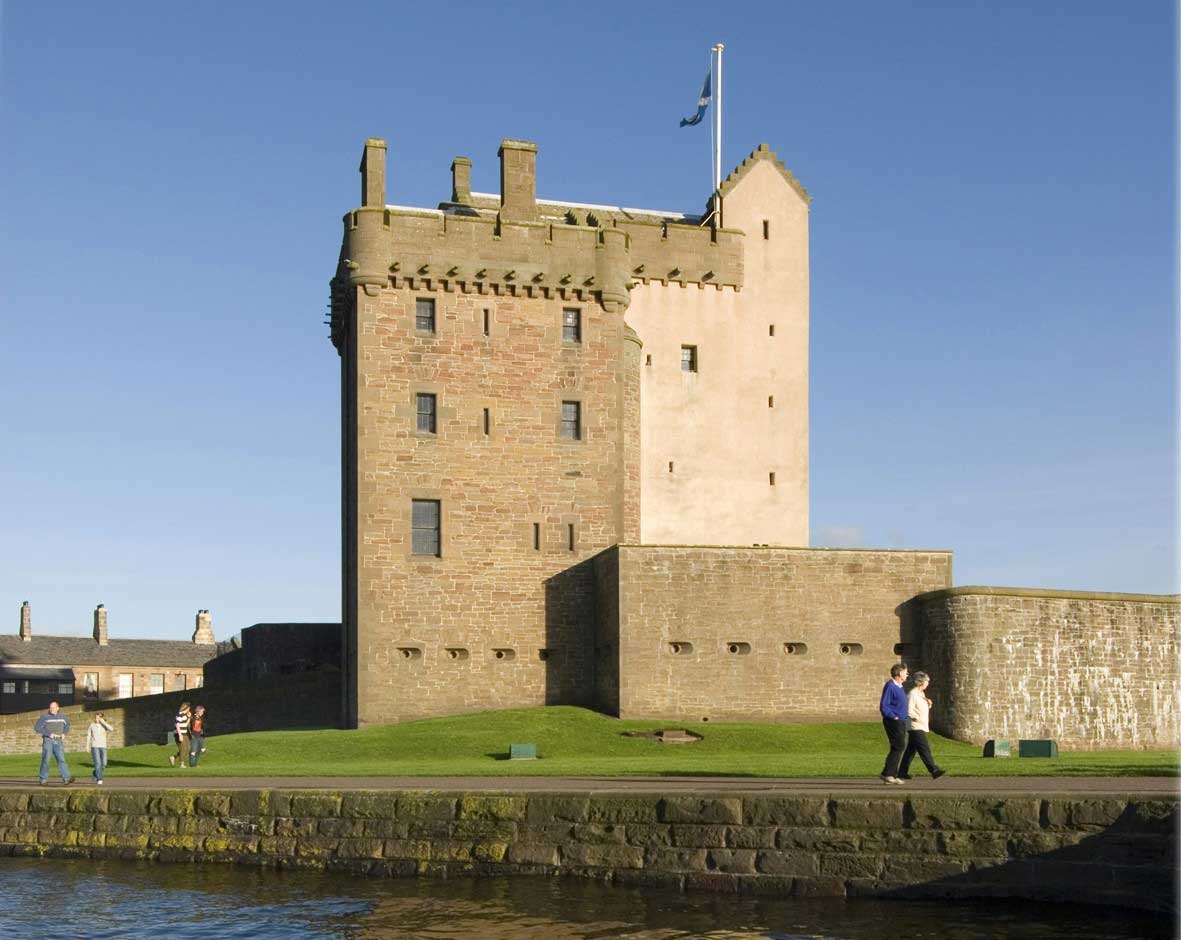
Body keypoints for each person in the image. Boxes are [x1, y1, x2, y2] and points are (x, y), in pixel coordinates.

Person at [899, 671, 946, 780]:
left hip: (920, 725)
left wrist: (928, 704)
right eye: (926, 681)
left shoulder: (921, 694)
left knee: (910, 750)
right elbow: (909, 709)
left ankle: (902, 772)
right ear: (921, 682)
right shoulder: (913, 694)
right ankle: (934, 770)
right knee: (924, 748)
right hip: (915, 726)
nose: (927, 683)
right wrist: (916, 718)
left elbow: (920, 708)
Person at [879, 663, 909, 784]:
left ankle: (888, 774)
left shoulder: (900, 686)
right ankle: (888, 774)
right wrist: (893, 716)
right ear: (899, 673)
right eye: (905, 672)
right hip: (893, 721)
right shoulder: (890, 686)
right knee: (899, 746)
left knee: (897, 746)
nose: (907, 674)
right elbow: (884, 705)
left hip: (901, 720)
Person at [33, 701, 73, 786]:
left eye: (53, 707)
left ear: (58, 708)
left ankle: (66, 778)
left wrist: (64, 733)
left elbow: (67, 725)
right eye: (50, 707)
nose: (52, 709)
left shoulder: (63, 716)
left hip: (58, 740)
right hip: (48, 740)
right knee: (46, 759)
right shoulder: (44, 717)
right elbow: (37, 728)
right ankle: (43, 779)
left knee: (61, 759)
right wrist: (49, 734)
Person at [85, 712, 114, 785]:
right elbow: (88, 736)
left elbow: (111, 729)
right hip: (94, 746)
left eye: (98, 717)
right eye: (96, 717)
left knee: (104, 763)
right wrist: (87, 746)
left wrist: (103, 722)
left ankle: (95, 773)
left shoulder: (104, 725)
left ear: (102, 718)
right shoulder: (92, 725)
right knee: (97, 763)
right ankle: (99, 779)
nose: (97, 719)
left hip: (103, 746)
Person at [169, 702, 191, 768]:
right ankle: (182, 764)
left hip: (185, 733)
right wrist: (180, 735)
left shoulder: (185, 715)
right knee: (183, 748)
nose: (189, 709)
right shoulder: (179, 714)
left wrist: (189, 717)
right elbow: (177, 724)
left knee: (188, 748)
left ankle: (173, 757)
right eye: (189, 708)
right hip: (179, 733)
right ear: (187, 708)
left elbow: (186, 724)